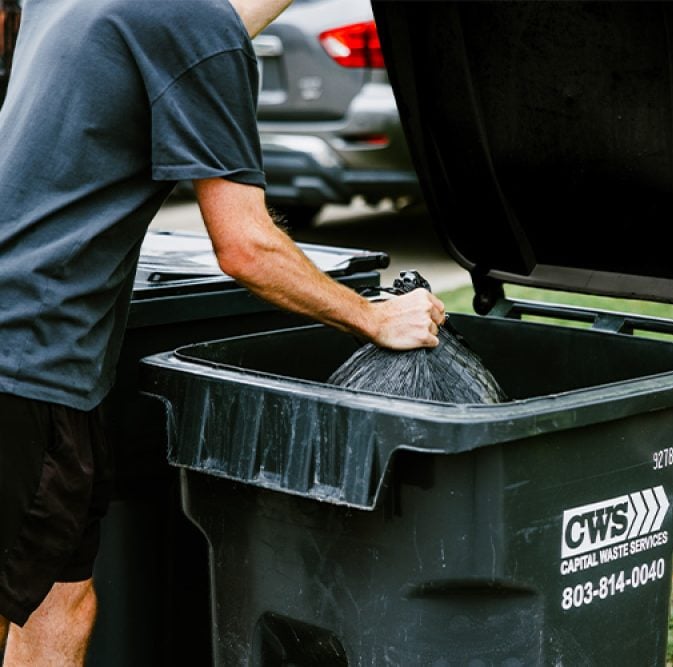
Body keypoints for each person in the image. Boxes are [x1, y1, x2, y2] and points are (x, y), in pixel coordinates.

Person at [0, 0, 446, 663]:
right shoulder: (194, 24)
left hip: (55, 362)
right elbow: (246, 249)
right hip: (25, 360)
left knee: (60, 598)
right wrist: (374, 315)